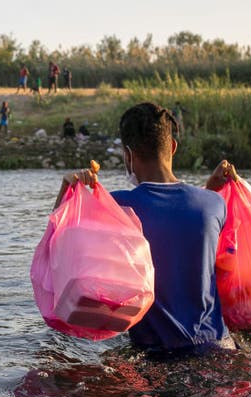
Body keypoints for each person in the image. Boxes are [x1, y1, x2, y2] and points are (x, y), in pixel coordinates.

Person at [53, 102, 236, 354]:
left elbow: (58, 251)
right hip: (219, 348)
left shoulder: (115, 208)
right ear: (172, 147)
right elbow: (184, 227)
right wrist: (209, 189)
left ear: (127, 155)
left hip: (159, 357)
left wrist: (67, 191)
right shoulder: (215, 203)